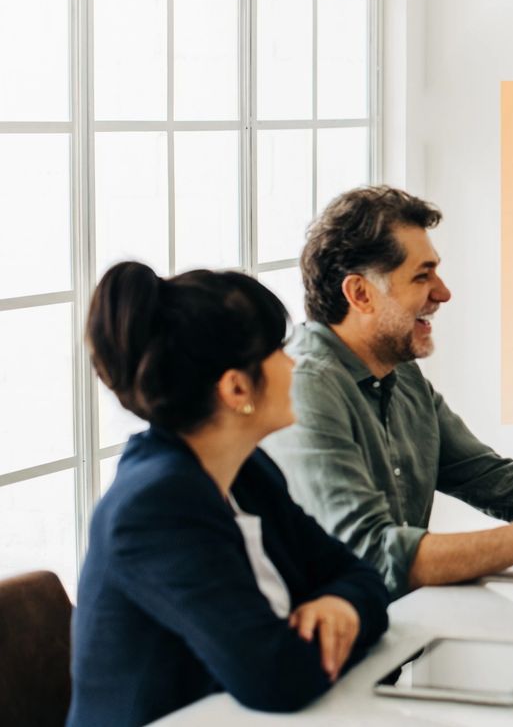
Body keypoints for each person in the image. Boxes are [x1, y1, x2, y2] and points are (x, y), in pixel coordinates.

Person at [263, 186, 513, 599]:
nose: (443, 292)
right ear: (360, 294)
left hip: (395, 639)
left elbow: (492, 479)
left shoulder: (402, 375)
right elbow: (375, 556)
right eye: (422, 276)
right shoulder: (305, 388)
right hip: (326, 655)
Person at [69, 263, 389, 727]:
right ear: (237, 387)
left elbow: (361, 574)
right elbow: (277, 678)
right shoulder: (154, 509)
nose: (294, 362)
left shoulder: (246, 471)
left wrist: (339, 605)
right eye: (278, 350)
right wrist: (344, 617)